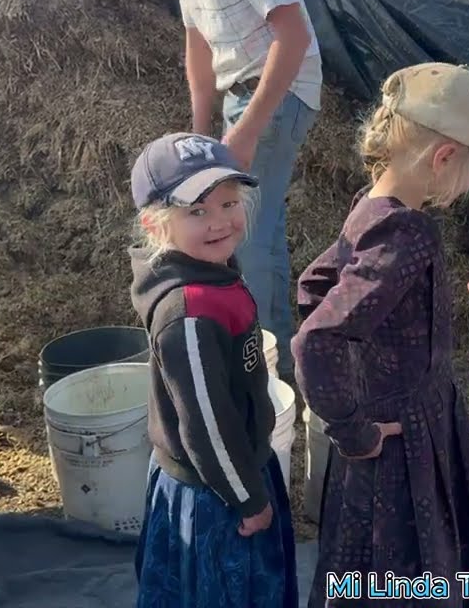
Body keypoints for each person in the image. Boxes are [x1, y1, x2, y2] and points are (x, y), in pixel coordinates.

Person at [291, 63, 469, 606]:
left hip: (399, 423)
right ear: (444, 158)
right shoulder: (407, 232)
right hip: (401, 442)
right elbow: (317, 339)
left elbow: (313, 286)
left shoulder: (366, 210)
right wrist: (351, 428)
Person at [100, 0, 323, 382]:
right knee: (261, 232)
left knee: (239, 236)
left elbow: (295, 36)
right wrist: (196, 144)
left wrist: (245, 133)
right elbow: (197, 43)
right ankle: (282, 362)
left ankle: (258, 373)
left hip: (278, 89)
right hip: (236, 90)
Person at [127, 131, 297, 607]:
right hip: (213, 496)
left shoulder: (212, 271)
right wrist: (248, 498)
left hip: (234, 471)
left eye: (228, 203)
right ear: (156, 226)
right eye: (196, 212)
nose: (219, 222)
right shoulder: (189, 315)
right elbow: (205, 423)